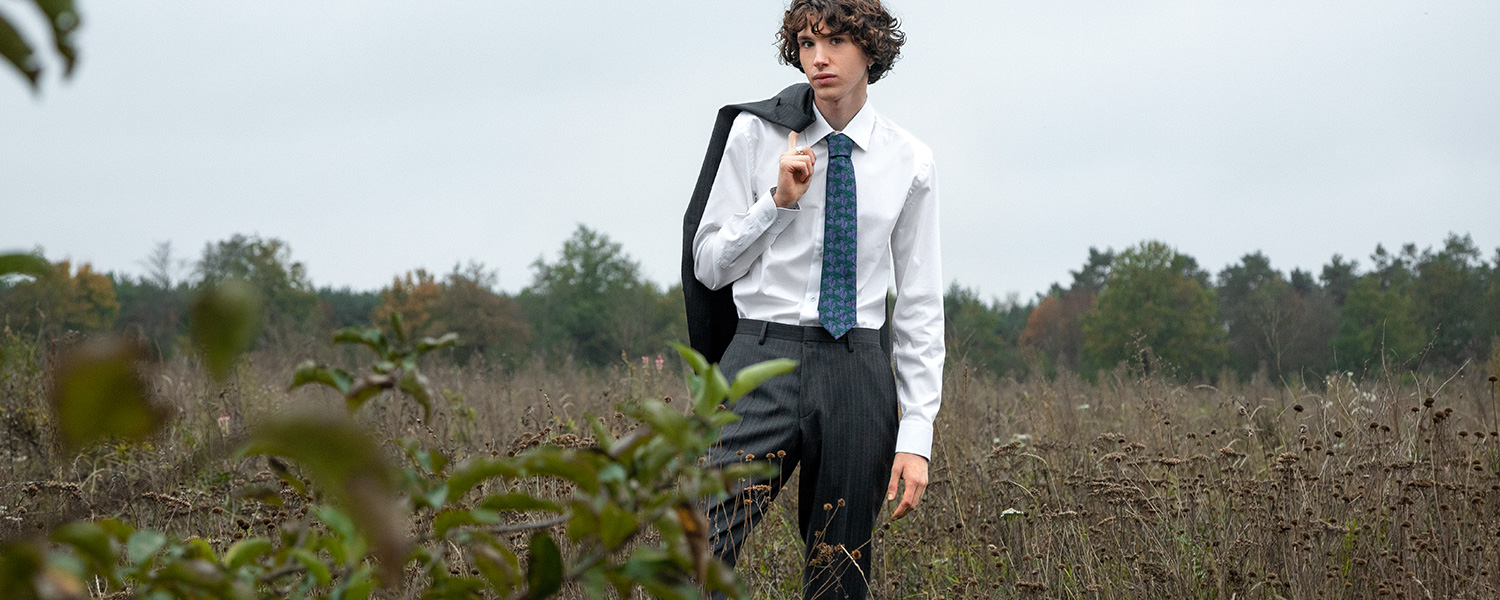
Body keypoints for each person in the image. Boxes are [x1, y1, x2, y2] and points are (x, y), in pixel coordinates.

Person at [683, 0, 943, 597]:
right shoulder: (756, 133)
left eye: (834, 42)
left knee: (839, 573)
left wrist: (918, 435)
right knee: (697, 551)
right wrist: (775, 203)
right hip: (759, 361)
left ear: (871, 48)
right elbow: (709, 266)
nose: (818, 58)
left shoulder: (911, 161)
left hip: (858, 370)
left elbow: (921, 306)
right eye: (805, 44)